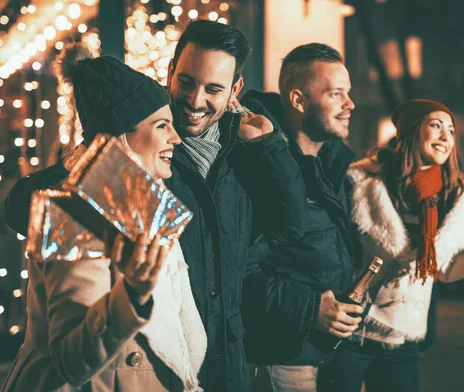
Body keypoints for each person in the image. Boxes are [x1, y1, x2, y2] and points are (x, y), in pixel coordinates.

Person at [4, 20, 306, 392]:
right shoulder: (135, 145)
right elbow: (27, 210)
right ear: (170, 72)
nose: (195, 101)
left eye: (213, 88)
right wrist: (96, 157)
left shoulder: (244, 148)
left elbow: (291, 227)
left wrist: (268, 150)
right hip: (135, 360)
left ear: (235, 90)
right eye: (187, 82)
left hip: (219, 347)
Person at [2, 45, 206, 391]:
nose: (175, 138)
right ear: (120, 135)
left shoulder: (152, 208)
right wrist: (132, 297)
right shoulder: (72, 212)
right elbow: (70, 358)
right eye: (161, 126)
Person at [317, 99, 464, 392]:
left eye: (451, 131)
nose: (445, 137)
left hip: (403, 340)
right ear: (413, 132)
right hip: (348, 334)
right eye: (436, 126)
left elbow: (446, 270)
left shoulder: (455, 195)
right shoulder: (365, 181)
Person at [240, 43, 362, 392]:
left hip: (332, 353)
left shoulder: (332, 161)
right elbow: (238, 271)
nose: (350, 104)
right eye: (336, 94)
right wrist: (310, 309)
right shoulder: (257, 163)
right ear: (298, 100)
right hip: (282, 356)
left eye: (348, 93)